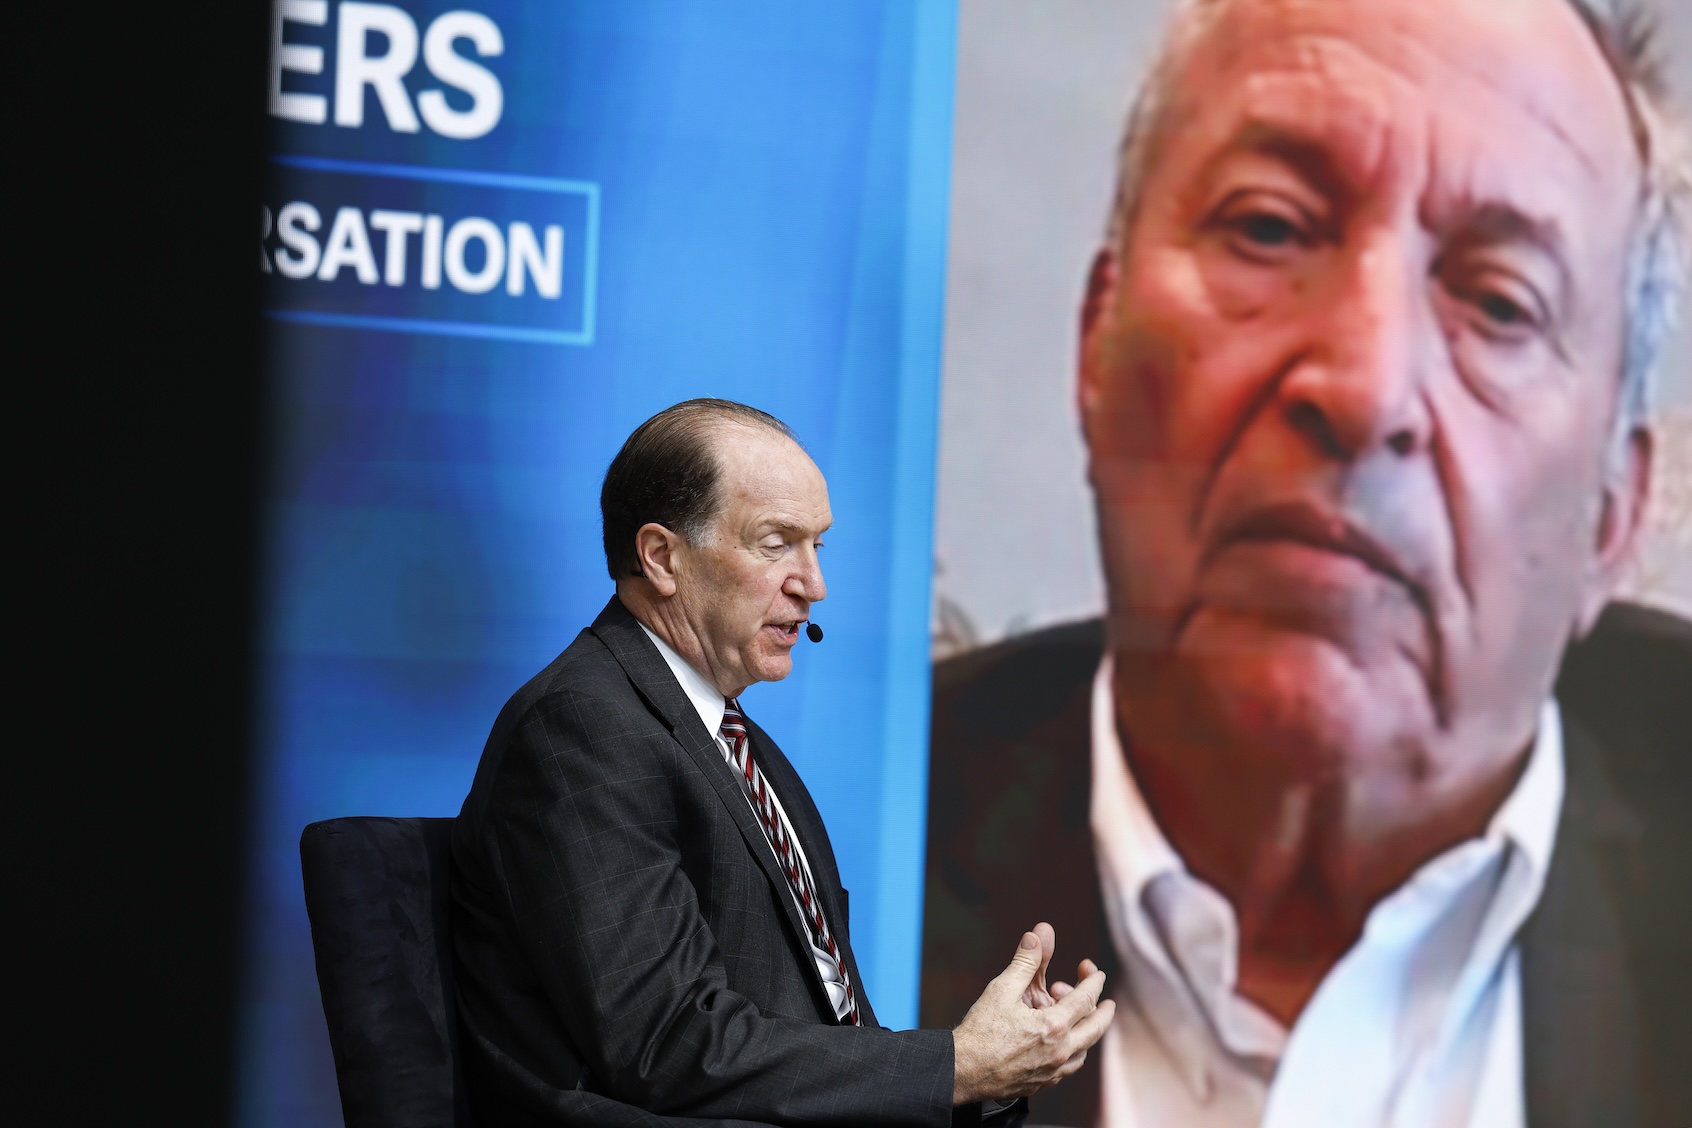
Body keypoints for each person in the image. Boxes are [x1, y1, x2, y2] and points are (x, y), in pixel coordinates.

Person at [920, 0, 1692, 1126]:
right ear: (1098, 348)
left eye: (1498, 303)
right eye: (1270, 229)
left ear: (1615, 513)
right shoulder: (772, 871)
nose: (1366, 385)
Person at [451, 399, 1116, 1126]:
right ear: (662, 558)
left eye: (818, 546)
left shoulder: (740, 747)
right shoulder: (583, 728)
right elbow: (668, 1045)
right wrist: (957, 1065)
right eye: (777, 544)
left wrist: (991, 1074)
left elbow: (822, 1036)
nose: (813, 584)